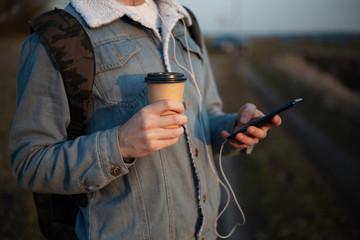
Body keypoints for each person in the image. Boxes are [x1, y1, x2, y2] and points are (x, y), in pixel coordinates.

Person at [8, 0, 281, 239]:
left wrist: (234, 128)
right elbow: (30, 162)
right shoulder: (57, 37)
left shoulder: (183, 23)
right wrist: (120, 144)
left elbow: (205, 115)